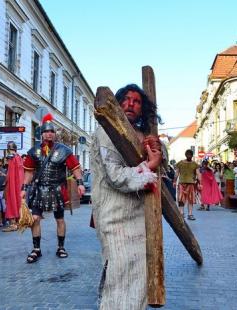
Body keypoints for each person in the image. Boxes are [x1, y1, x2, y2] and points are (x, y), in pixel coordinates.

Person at [90, 84, 162, 309]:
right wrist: (149, 166)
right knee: (119, 270)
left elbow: (162, 167)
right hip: (114, 214)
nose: (131, 104)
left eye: (137, 101)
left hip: (140, 217)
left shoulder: (141, 135)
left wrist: (159, 150)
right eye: (127, 99)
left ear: (143, 108)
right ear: (118, 103)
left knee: (139, 273)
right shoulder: (105, 131)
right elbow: (115, 176)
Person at [21, 113, 85, 263]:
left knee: (60, 219)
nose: (49, 134)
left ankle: (61, 247)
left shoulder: (64, 150)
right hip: (39, 190)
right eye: (46, 132)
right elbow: (29, 172)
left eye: (51, 132)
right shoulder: (34, 151)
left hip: (57, 190)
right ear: (42, 134)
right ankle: (36, 249)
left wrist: (80, 184)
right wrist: (24, 188)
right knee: (35, 219)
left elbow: (75, 168)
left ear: (54, 134)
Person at [3, 142, 23, 232]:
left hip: (13, 183)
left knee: (11, 201)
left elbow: (10, 173)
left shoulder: (11, 157)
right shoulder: (19, 157)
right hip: (19, 183)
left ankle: (13, 224)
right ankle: (18, 222)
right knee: (17, 201)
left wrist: (6, 181)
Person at [174, 149, 199, 220]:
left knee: (190, 199)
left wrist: (200, 183)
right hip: (183, 183)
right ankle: (183, 213)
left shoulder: (194, 164)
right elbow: (177, 173)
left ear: (191, 155)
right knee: (182, 199)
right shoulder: (181, 163)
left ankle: (189, 214)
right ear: (186, 155)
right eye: (188, 155)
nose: (189, 156)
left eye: (190, 155)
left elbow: (198, 173)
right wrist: (174, 181)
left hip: (189, 183)